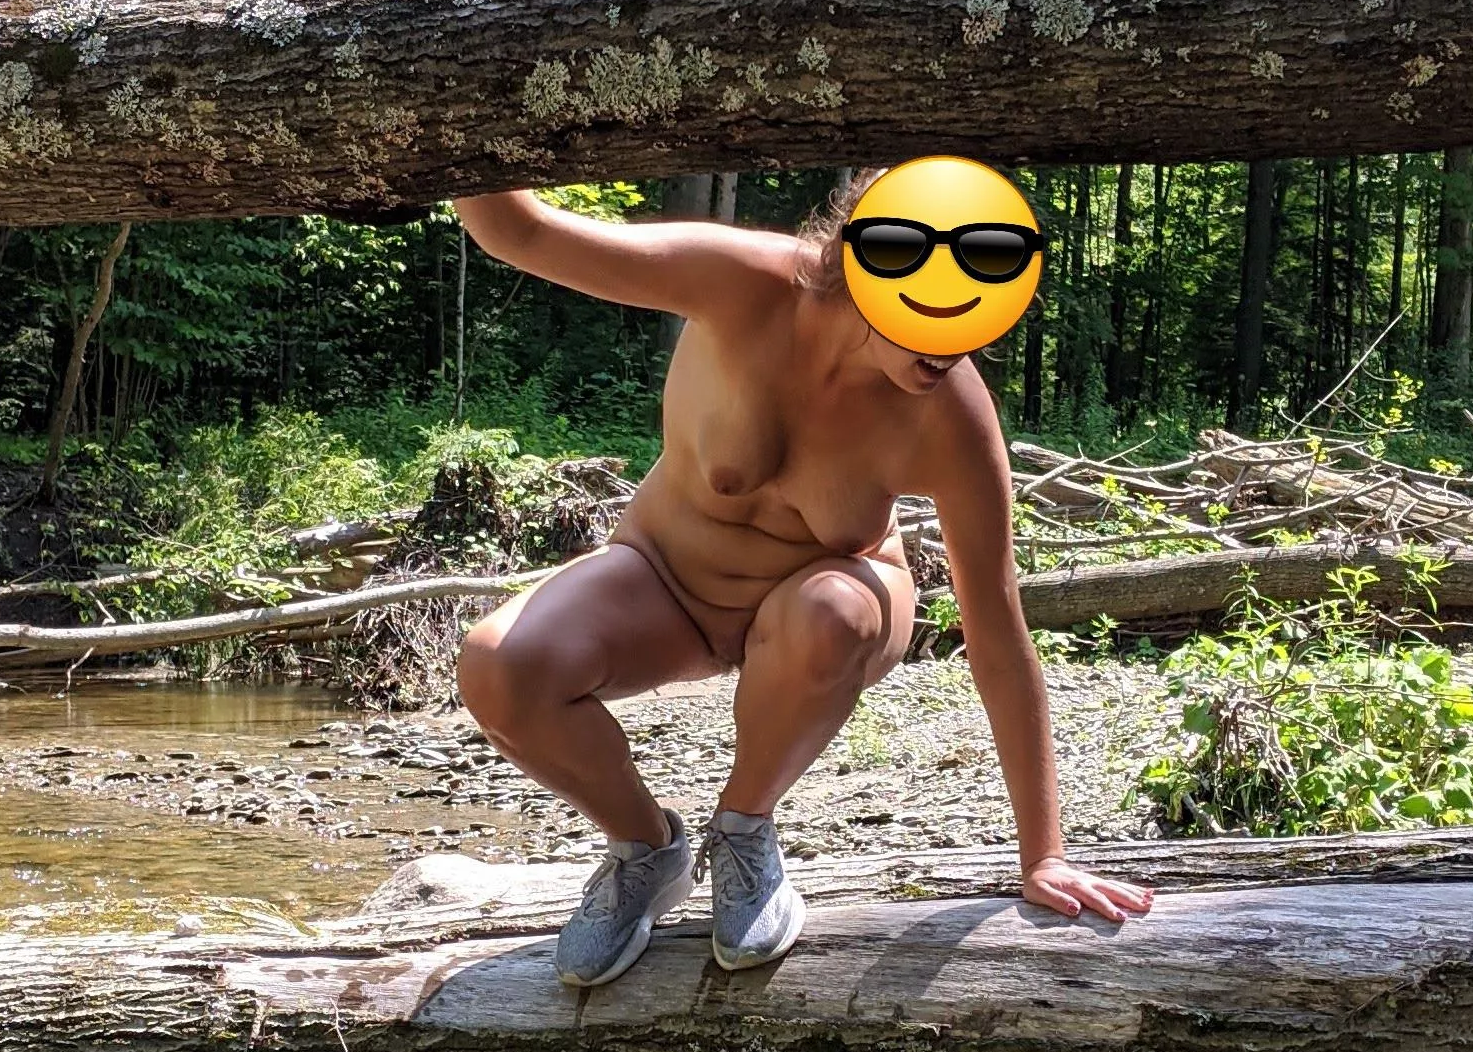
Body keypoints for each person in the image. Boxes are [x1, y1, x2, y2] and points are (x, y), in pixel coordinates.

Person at [451, 173, 1155, 985]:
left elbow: (997, 631)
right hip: (666, 581)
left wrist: (1045, 855)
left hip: (834, 604)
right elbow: (523, 233)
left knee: (829, 613)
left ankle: (744, 830)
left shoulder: (951, 415)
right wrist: (455, 129)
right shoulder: (740, 285)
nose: (947, 349)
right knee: (499, 668)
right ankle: (646, 851)